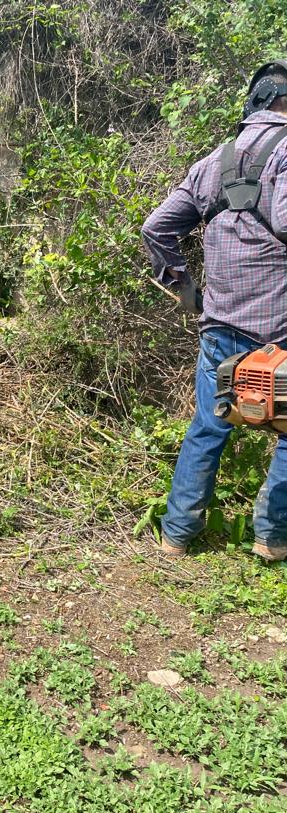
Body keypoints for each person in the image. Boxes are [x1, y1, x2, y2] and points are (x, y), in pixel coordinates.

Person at [141, 61, 287, 560]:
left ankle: (176, 535)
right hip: (279, 331)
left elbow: (156, 228)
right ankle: (272, 538)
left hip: (220, 325)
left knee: (208, 425)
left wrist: (185, 290)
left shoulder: (214, 161)